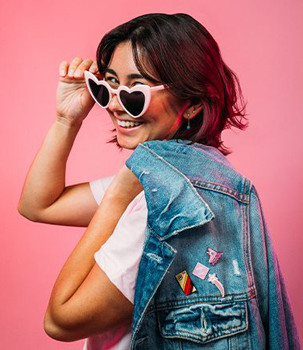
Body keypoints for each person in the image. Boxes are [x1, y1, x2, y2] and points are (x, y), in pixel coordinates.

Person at [18, 13, 300, 350]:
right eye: (106, 87)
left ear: (192, 102)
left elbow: (61, 321)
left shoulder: (154, 198)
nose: (117, 106)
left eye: (136, 92)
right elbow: (39, 205)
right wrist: (67, 118)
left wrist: (118, 199)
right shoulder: (209, 178)